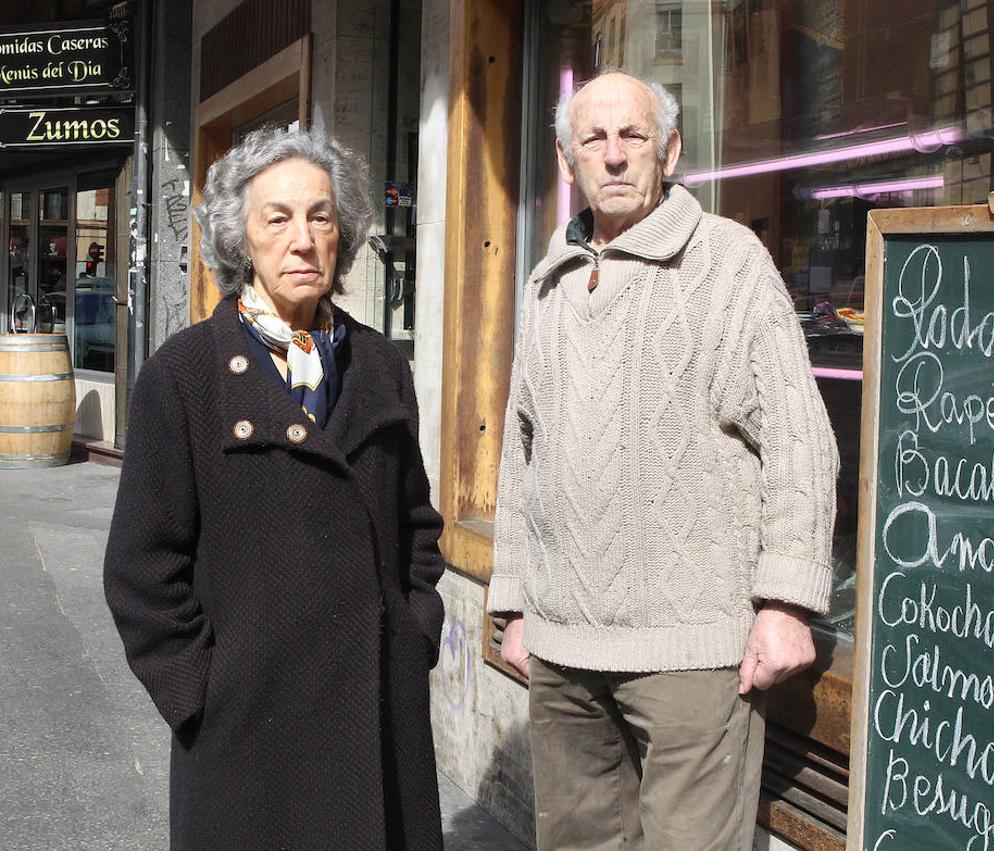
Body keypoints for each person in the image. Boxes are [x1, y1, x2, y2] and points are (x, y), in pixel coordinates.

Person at [489, 71, 839, 851]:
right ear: (566, 157)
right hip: (562, 646)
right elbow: (522, 451)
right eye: (594, 139)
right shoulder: (545, 283)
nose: (614, 157)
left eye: (634, 137)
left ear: (671, 150)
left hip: (692, 652)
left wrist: (786, 601)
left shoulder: (728, 262)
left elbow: (798, 437)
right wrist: (514, 602)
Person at [104, 127, 445, 850]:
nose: (303, 239)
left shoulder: (381, 364)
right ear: (241, 241)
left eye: (321, 217)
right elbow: (142, 569)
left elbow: (417, 525)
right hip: (246, 736)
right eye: (278, 218)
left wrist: (414, 634)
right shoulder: (184, 375)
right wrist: (200, 691)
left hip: (377, 722)